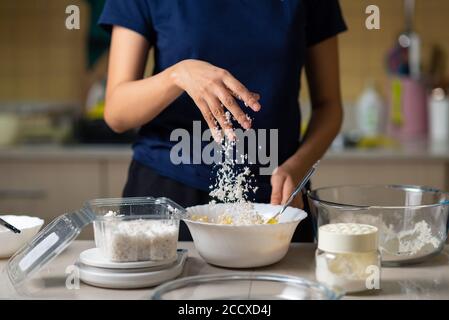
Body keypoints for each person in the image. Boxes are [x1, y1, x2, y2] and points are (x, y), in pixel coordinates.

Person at [99, 0, 347, 242]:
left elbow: (329, 107)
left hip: (274, 197)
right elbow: (117, 112)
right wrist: (177, 75)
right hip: (169, 191)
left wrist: (299, 166)